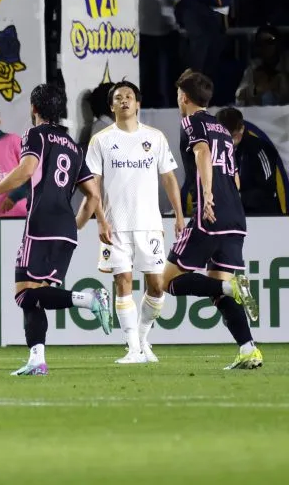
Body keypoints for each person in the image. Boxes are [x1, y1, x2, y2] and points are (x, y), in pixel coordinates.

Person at [0, 83, 112, 376]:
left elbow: (26, 170)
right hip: (65, 228)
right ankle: (37, 360)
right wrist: (79, 226)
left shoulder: (36, 134)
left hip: (41, 223)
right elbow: (93, 195)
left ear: (34, 109)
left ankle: (87, 299)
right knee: (38, 295)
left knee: (23, 294)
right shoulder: (72, 145)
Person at [164, 71, 262, 370]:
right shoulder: (221, 127)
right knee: (218, 290)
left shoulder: (192, 122)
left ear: (184, 97)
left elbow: (202, 153)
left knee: (165, 280)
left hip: (211, 214)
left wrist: (206, 196)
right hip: (234, 216)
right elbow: (233, 175)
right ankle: (248, 349)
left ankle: (231, 289)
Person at [85, 81, 184, 364]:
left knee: (156, 285)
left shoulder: (155, 138)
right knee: (123, 283)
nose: (125, 100)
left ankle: (141, 340)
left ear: (138, 104)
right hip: (115, 225)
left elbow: (168, 178)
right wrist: (100, 220)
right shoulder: (101, 140)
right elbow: (94, 184)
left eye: (129, 96)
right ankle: (132, 349)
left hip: (149, 224)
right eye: (119, 97)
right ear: (112, 105)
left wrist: (178, 216)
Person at [216, 107, 283, 216]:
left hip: (263, 217)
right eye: (222, 137)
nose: (227, 141)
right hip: (232, 217)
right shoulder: (215, 149)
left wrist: (237, 197)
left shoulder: (260, 150)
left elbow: (268, 192)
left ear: (241, 129)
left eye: (232, 136)